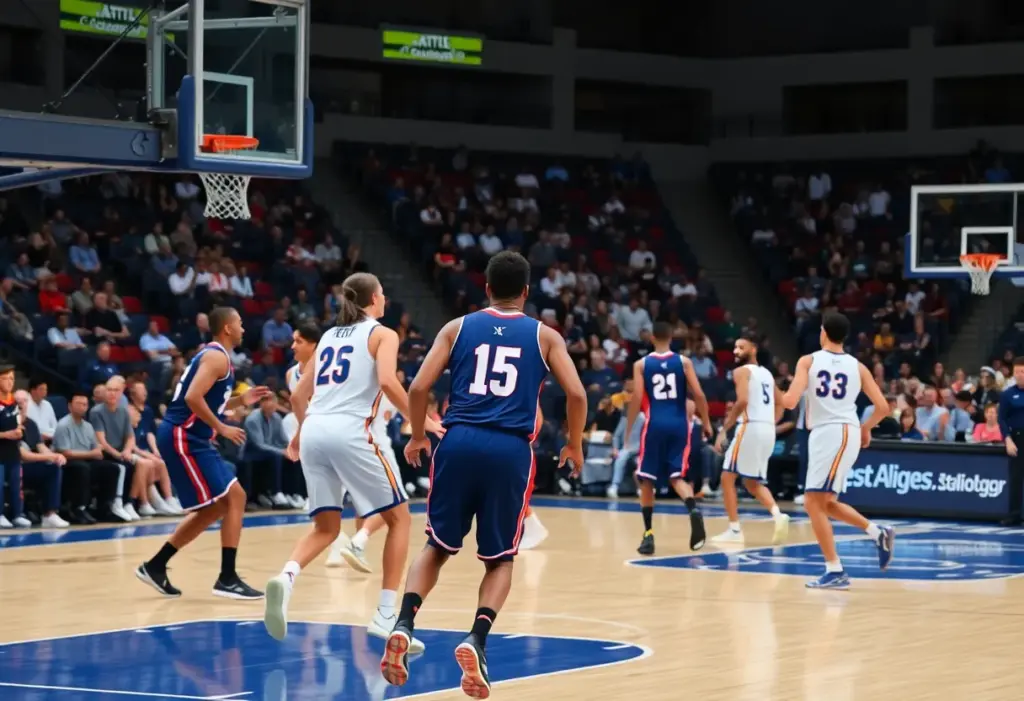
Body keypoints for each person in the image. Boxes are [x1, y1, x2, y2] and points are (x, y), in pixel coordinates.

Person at [378, 251, 587, 697]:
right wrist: (575, 443)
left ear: (486, 288)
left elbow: (417, 387)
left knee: (437, 545)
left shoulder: (457, 328)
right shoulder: (545, 336)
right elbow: (577, 393)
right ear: (527, 293)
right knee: (500, 559)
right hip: (509, 449)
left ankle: (404, 622)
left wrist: (417, 436)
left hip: (458, 441)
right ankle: (477, 637)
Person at [263, 273, 444, 653]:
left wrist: (301, 433)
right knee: (400, 517)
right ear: (374, 299)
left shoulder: (328, 336)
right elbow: (390, 384)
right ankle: (384, 616)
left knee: (326, 528)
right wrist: (425, 424)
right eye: (383, 295)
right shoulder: (383, 333)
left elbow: (298, 395)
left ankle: (286, 576)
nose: (385, 300)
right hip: (352, 431)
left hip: (314, 431)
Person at [135, 306, 271, 599]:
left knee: (218, 507)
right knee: (236, 497)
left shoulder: (217, 357)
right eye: (240, 323)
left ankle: (156, 566)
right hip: (184, 436)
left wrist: (240, 400)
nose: (244, 329)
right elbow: (192, 397)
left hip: (189, 436)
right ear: (227, 328)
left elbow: (208, 401)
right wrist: (221, 428)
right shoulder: (216, 356)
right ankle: (227, 577)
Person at [781, 312, 895, 589]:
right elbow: (883, 408)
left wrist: (766, 386)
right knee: (825, 502)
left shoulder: (807, 361)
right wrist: (865, 428)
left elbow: (789, 401)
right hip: (843, 432)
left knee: (811, 502)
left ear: (822, 332)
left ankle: (835, 570)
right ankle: (877, 532)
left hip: (832, 432)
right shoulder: (858, 366)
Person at [283, 324, 385, 571]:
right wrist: (299, 434)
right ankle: (349, 546)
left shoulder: (329, 368)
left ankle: (294, 570)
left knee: (347, 504)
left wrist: (302, 434)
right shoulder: (291, 374)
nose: (293, 346)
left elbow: (303, 402)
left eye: (299, 341)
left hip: (322, 436)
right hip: (334, 435)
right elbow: (300, 403)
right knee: (383, 500)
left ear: (314, 345)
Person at [628, 322, 712, 556]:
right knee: (677, 477)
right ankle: (693, 509)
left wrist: (629, 425)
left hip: (655, 424)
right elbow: (700, 394)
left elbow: (637, 396)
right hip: (679, 425)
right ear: (672, 337)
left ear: (652, 337)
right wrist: (705, 423)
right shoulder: (684, 362)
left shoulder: (641, 364)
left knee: (646, 479)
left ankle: (648, 535)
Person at [712, 334, 791, 544]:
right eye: (735, 347)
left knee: (727, 477)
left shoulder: (741, 371)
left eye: (741, 347)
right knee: (752, 482)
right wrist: (771, 421)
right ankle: (778, 515)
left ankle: (735, 531)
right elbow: (781, 401)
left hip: (750, 427)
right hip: (767, 430)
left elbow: (742, 401)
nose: (736, 351)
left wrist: (723, 429)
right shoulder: (766, 374)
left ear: (753, 349)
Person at [14, 389, 69, 528]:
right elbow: (23, 455)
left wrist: (54, 456)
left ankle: (50, 514)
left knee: (55, 467)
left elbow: (41, 447)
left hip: (30, 466)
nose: (21, 404)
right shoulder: (10, 423)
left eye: (25, 400)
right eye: (17, 401)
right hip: (16, 466)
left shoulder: (31, 424)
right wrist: (50, 455)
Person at [997, 357, 1024, 525]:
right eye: (1017, 372)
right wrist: (1007, 439)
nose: (1020, 375)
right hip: (1017, 439)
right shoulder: (1007, 394)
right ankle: (1014, 514)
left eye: (1022, 371)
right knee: (1015, 478)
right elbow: (1002, 419)